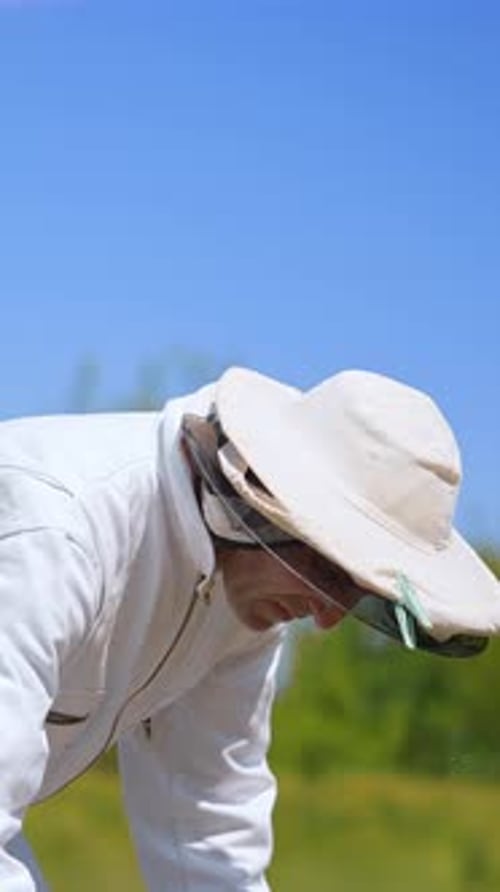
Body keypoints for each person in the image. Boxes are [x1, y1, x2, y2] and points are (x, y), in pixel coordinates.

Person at [0, 366, 499, 891]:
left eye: (358, 598)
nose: (327, 618)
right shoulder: (51, 533)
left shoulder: (247, 600)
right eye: (328, 575)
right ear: (265, 501)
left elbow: (207, 825)